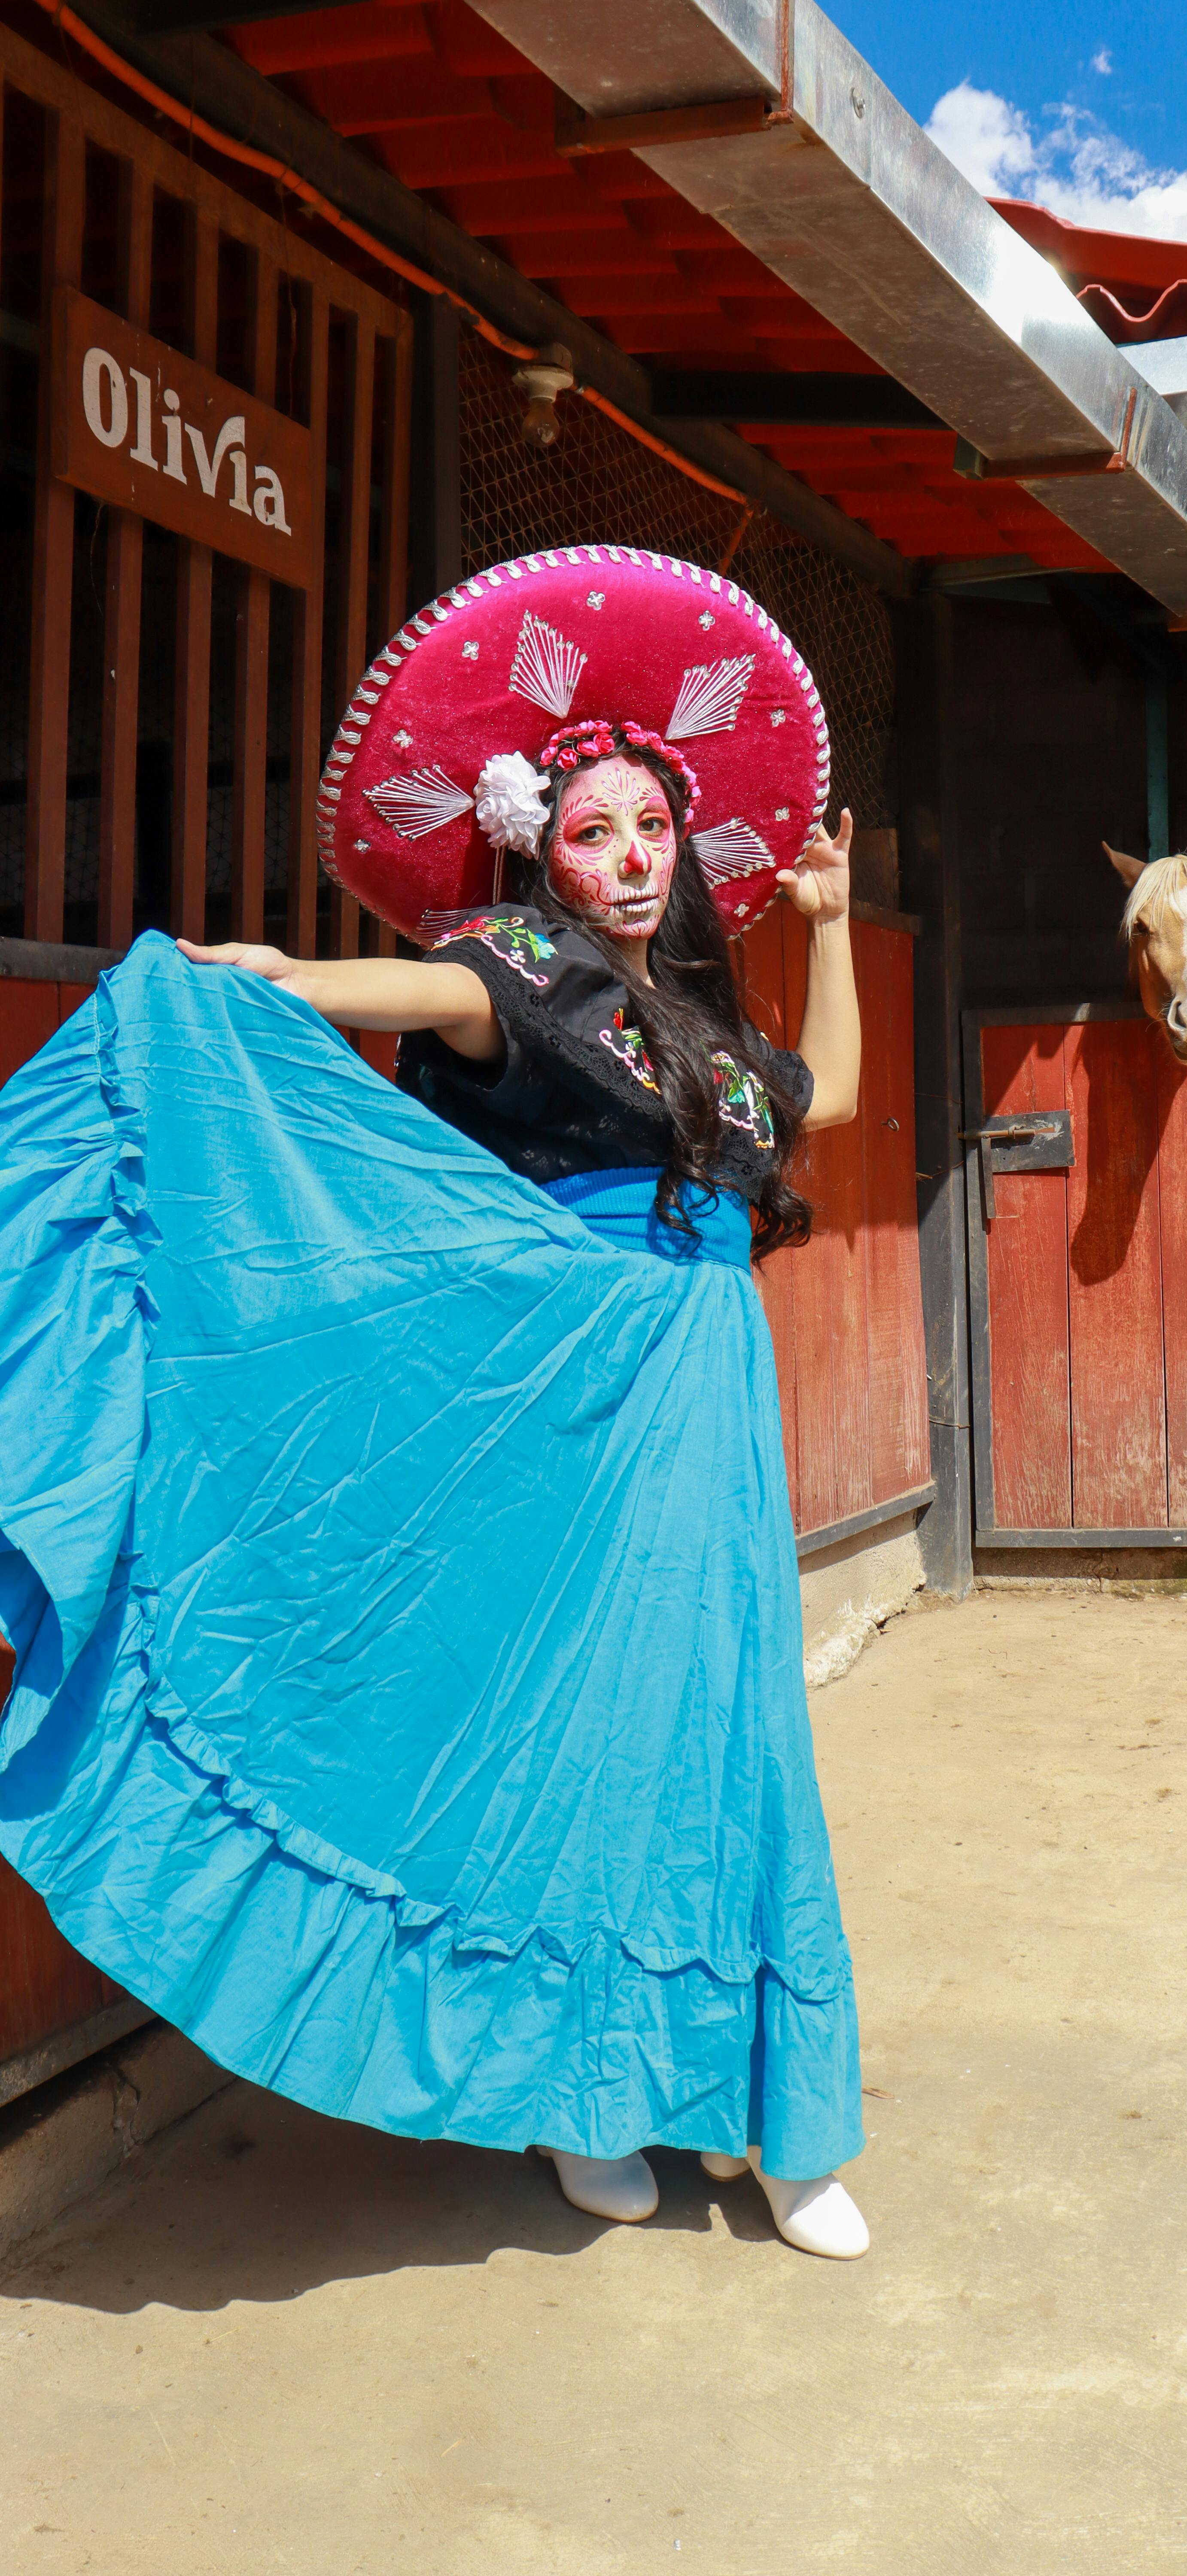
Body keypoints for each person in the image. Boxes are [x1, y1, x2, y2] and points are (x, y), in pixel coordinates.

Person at [0, 549, 870, 2259]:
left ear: (685, 851)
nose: (624, 859)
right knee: (591, 1740)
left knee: (734, 1729)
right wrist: (254, 975)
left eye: (648, 831)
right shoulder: (516, 971)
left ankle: (788, 2119)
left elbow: (823, 1101)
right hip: (577, 1403)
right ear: (539, 848)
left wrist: (833, 928)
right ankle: (584, 2096)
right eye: (591, 830)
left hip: (708, 1393)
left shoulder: (702, 1024)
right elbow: (368, 992)